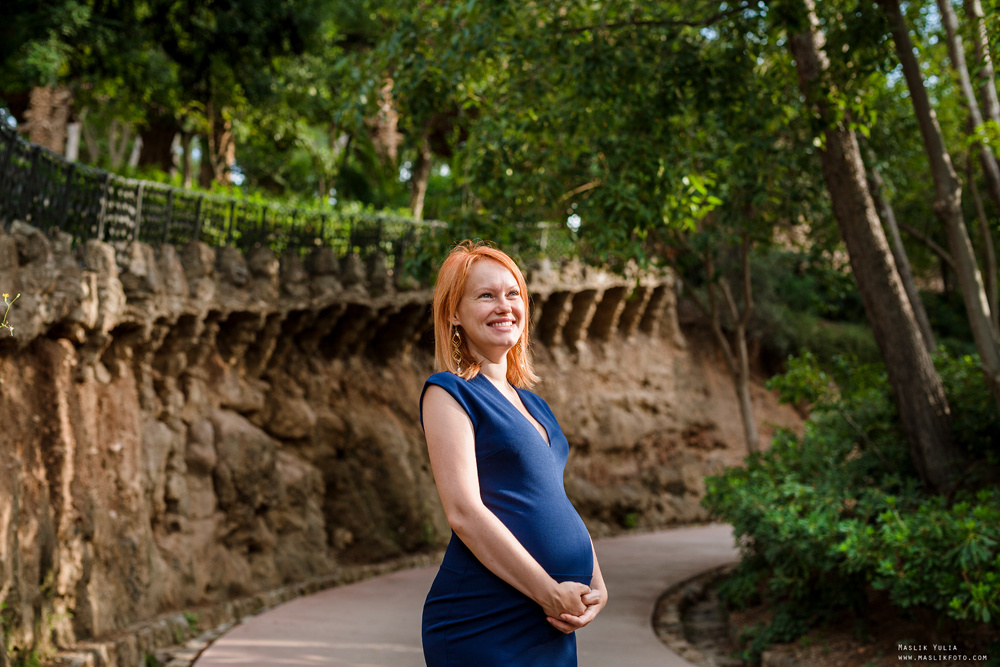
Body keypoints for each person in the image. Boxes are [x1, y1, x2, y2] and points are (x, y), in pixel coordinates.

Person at [419, 241, 608, 666]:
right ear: (454, 313)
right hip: (485, 620)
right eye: (486, 296)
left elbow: (552, 497)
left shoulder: (534, 404)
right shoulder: (449, 392)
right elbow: (464, 511)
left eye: (513, 293)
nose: (504, 306)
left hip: (550, 620)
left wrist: (597, 580)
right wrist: (548, 591)